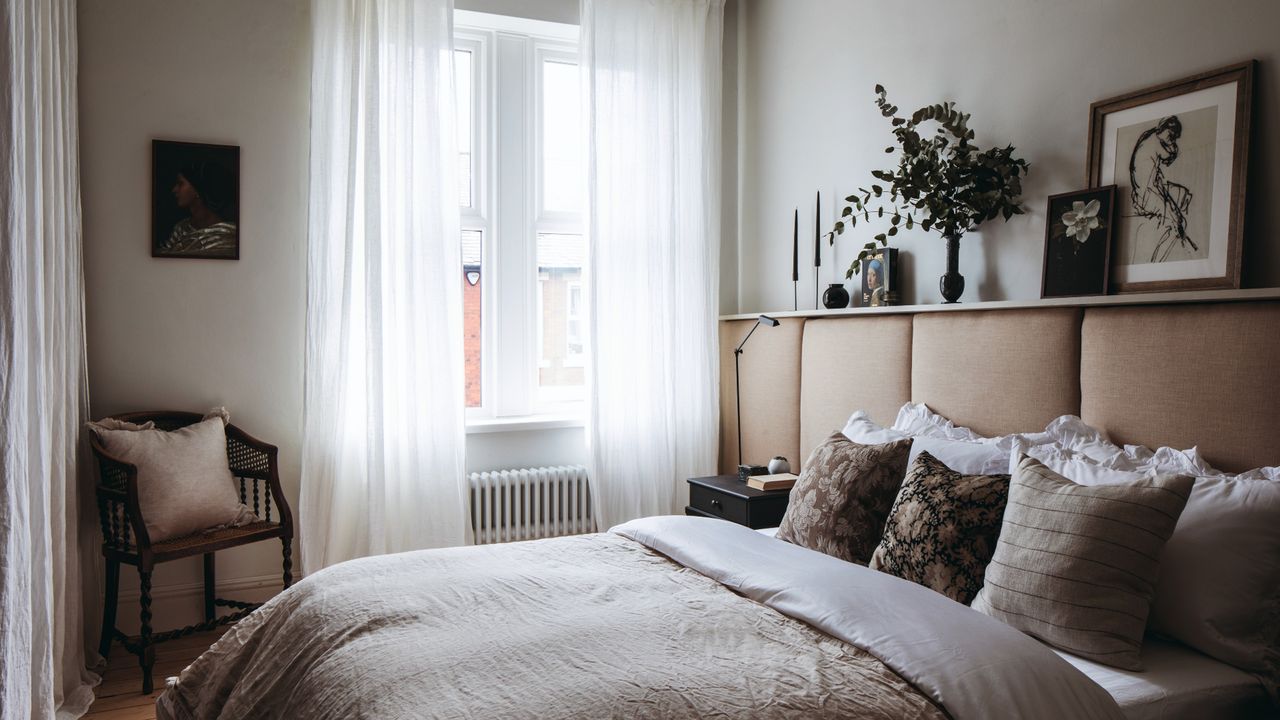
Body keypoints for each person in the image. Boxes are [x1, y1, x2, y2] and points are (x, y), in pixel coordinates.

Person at [1127, 116, 1194, 263]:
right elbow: (1168, 157)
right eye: (1171, 136)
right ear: (1162, 130)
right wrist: (1172, 209)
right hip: (1146, 194)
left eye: (1174, 137)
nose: (1172, 140)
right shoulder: (1155, 143)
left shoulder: (1151, 135)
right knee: (1175, 221)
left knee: (1182, 195)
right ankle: (1158, 260)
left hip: (1149, 188)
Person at [160, 160, 238, 256]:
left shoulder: (227, 236)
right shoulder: (180, 228)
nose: (174, 190)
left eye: (180, 184)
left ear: (198, 189)